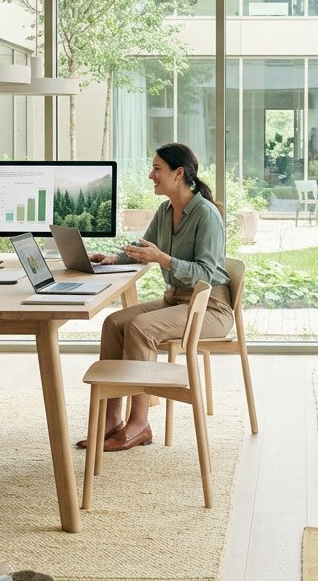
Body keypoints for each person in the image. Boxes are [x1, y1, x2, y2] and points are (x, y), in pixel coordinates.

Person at [79, 142, 233, 451]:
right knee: (114, 323)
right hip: (177, 300)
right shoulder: (165, 210)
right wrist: (112, 259)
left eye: (156, 169)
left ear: (178, 174)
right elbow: (144, 248)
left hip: (209, 307)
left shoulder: (206, 215)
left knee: (141, 327)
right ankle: (111, 420)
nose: (151, 175)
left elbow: (206, 272)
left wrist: (164, 259)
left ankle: (140, 424)